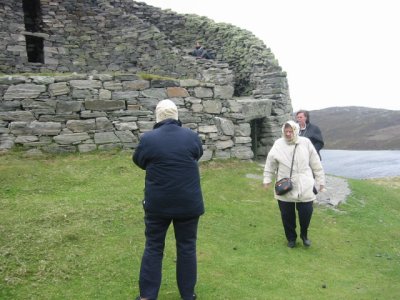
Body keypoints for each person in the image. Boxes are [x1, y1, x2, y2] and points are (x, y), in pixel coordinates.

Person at [133, 99, 204, 300]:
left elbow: (139, 161)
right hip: (189, 204)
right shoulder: (192, 137)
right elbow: (197, 154)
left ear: (158, 116)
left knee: (154, 247)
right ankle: (188, 295)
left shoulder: (149, 139)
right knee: (187, 248)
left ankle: (147, 296)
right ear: (176, 116)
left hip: (158, 204)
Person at [263, 120, 326, 248]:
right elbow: (270, 163)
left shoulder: (306, 142)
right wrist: (267, 179)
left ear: (296, 131)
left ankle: (304, 235)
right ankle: (291, 238)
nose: (288, 134)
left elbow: (316, 163)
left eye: (290, 131)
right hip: (285, 185)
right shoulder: (278, 144)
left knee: (306, 213)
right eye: (286, 131)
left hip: (305, 184)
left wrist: (320, 181)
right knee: (287, 215)